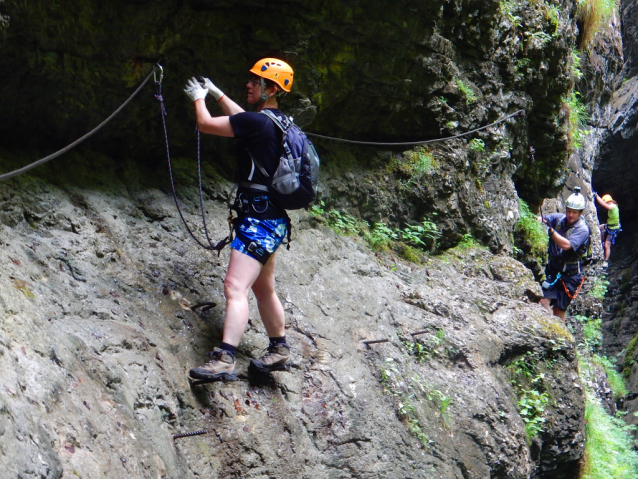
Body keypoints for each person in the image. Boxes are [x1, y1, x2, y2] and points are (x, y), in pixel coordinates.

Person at [182, 58, 295, 382]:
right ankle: (279, 347)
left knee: (235, 287)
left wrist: (197, 98)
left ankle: (225, 357)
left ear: (270, 88)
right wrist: (217, 93)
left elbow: (205, 124)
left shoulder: (259, 123)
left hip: (257, 221)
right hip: (271, 219)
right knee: (263, 288)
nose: (248, 84)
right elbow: (245, 120)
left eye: (255, 81)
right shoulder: (277, 121)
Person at [538, 188, 590, 321]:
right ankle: (552, 328)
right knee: (543, 301)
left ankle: (560, 337)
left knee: (559, 311)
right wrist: (539, 220)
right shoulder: (559, 219)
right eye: (568, 211)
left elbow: (567, 245)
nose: (570, 215)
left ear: (580, 213)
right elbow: (544, 219)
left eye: (574, 212)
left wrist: (551, 232)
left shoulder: (582, 229)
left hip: (570, 276)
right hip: (553, 270)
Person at [593, 193, 620, 268]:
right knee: (598, 228)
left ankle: (606, 261)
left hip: (613, 229)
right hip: (609, 225)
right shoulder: (613, 205)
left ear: (607, 201)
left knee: (607, 245)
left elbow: (605, 205)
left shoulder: (613, 207)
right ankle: (600, 240)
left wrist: (597, 197)